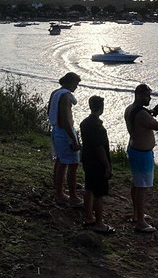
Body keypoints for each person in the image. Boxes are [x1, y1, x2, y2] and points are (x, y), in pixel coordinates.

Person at [124, 83, 158, 233]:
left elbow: (142, 120)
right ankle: (140, 222)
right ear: (139, 94)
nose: (149, 98)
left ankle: (137, 214)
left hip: (134, 149)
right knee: (142, 188)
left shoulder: (131, 109)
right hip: (142, 154)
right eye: (147, 96)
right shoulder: (142, 114)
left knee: (136, 185)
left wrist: (152, 112)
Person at [79, 95, 114, 233]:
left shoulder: (84, 123)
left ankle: (89, 217)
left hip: (87, 159)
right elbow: (99, 148)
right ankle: (99, 223)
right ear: (101, 108)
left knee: (89, 188)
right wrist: (107, 165)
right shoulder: (97, 126)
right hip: (97, 162)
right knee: (99, 193)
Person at [47, 72, 81, 207]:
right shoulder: (66, 97)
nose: (76, 87)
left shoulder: (55, 92)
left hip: (56, 130)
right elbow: (66, 120)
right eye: (76, 84)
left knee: (61, 161)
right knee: (72, 164)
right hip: (64, 133)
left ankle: (58, 188)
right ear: (70, 82)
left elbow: (49, 111)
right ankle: (72, 196)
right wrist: (73, 139)